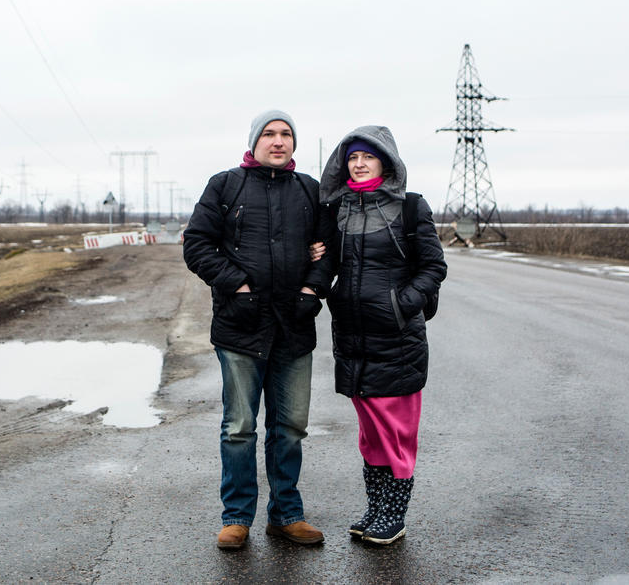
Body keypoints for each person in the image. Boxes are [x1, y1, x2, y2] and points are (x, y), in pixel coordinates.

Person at [183, 109, 332, 550]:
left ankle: (286, 515)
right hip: (241, 325)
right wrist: (237, 284)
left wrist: (312, 289)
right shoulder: (225, 185)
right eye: (269, 133)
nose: (278, 140)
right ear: (254, 141)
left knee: (290, 427)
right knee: (239, 427)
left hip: (294, 325)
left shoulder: (309, 189)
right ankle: (237, 518)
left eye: (286, 134)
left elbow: (330, 252)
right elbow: (196, 245)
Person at [316, 125, 446, 545]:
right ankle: (375, 510)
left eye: (367, 157)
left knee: (396, 432)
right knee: (370, 432)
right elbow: (328, 264)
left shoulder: (411, 208)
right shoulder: (338, 210)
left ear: (385, 162)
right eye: (352, 157)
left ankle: (394, 515)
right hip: (353, 338)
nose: (358, 164)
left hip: (397, 340)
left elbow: (433, 268)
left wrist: (400, 305)